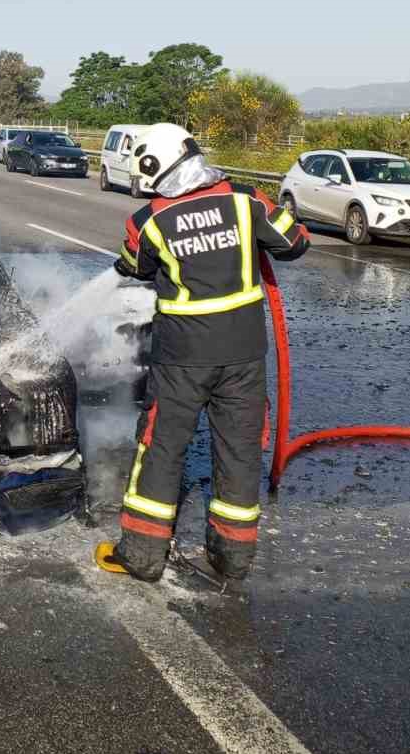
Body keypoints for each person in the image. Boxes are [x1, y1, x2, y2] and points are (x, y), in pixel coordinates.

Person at [95, 123, 309, 586]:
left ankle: (143, 554)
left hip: (179, 359)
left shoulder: (148, 220)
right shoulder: (247, 200)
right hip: (243, 357)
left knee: (163, 448)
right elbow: (295, 243)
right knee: (239, 450)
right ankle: (232, 557)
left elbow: (134, 264)